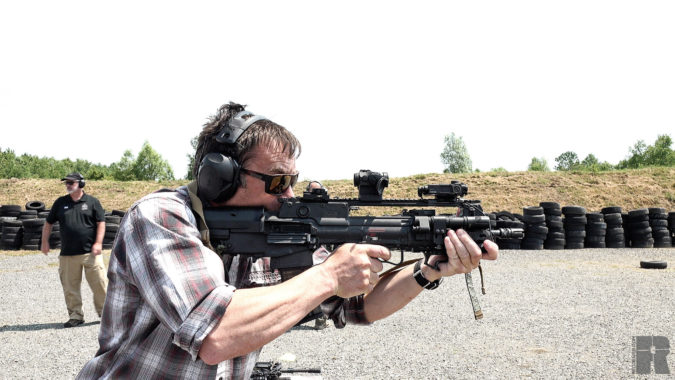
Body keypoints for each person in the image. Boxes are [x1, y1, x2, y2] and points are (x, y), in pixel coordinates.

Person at [77, 102, 499, 379]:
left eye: (293, 180)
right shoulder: (160, 217)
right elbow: (214, 337)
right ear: (220, 177)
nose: (290, 195)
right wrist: (329, 275)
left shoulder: (275, 226)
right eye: (278, 181)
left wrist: (427, 270)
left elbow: (356, 306)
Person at [41, 172, 107, 328]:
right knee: (70, 288)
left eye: (71, 182)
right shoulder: (60, 203)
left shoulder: (92, 202)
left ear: (81, 184)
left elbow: (101, 223)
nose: (68, 185)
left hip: (91, 253)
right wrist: (44, 241)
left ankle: (105, 314)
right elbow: (48, 223)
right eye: (66, 183)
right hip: (68, 255)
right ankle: (76, 316)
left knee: (100, 284)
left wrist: (98, 243)